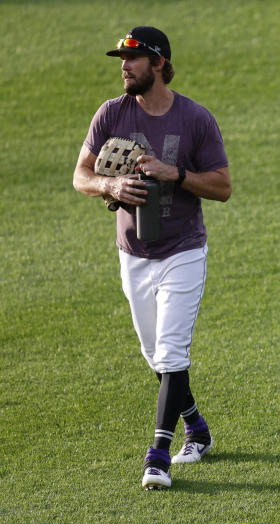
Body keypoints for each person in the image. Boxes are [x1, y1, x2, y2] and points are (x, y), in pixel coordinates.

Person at [72, 26, 231, 490]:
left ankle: (157, 457)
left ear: (159, 63)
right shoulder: (110, 114)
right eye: (122, 59)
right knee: (154, 356)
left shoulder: (196, 119)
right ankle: (197, 429)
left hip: (183, 250)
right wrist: (110, 185)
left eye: (134, 58)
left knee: (172, 350)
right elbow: (81, 175)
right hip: (134, 254)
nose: (124, 66)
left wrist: (175, 173)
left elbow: (221, 187)